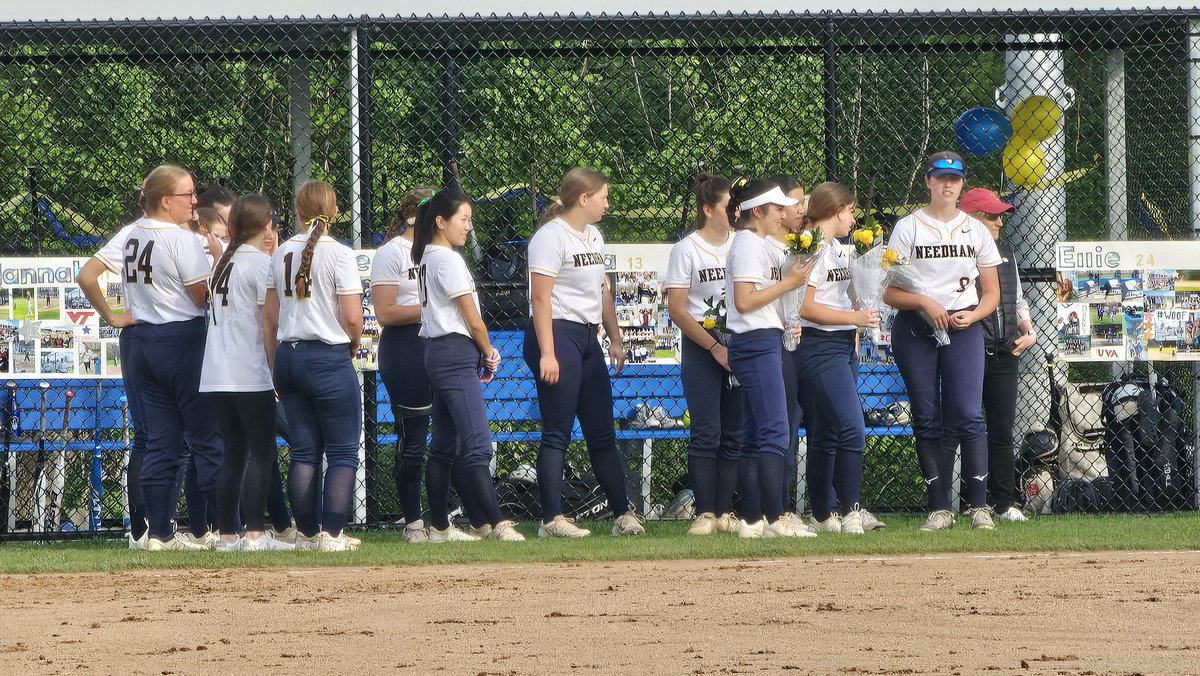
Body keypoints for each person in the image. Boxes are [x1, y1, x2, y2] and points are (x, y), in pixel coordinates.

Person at [75, 164, 224, 551]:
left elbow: (86, 276)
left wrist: (112, 317)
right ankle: (227, 530)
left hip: (139, 342)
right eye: (188, 195)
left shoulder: (130, 233)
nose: (195, 202)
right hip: (181, 340)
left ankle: (156, 533)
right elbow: (199, 297)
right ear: (165, 200)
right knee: (205, 438)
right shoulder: (182, 239)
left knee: (159, 440)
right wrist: (220, 261)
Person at [883, 152, 1002, 531]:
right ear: (928, 182)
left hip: (963, 326)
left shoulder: (976, 230)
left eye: (954, 178)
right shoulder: (908, 227)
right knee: (926, 415)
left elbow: (992, 293)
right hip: (917, 328)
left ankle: (979, 506)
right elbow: (889, 292)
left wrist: (976, 314)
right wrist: (923, 300)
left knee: (968, 413)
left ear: (962, 183)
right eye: (940, 178)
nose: (947, 185)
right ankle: (939, 508)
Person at [523, 167, 644, 538]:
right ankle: (551, 520)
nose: (608, 203)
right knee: (557, 430)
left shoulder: (593, 235)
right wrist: (547, 352)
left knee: (601, 430)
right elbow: (540, 297)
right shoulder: (550, 236)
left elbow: (602, 291)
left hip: (586, 337)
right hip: (556, 333)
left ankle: (623, 514)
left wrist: (616, 336)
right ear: (583, 198)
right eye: (603, 196)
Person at [413, 189, 524, 542]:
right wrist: (489, 351)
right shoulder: (447, 259)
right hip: (454, 352)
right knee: (478, 444)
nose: (468, 226)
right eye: (463, 219)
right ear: (440, 222)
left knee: (445, 445)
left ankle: (447, 526)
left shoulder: (428, 255)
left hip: (437, 351)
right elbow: (472, 318)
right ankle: (496, 522)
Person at [263, 180, 364, 552]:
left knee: (304, 451)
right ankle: (332, 534)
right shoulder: (339, 254)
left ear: (298, 211)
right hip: (327, 357)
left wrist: (275, 364)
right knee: (342, 452)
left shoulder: (279, 253)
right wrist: (353, 343)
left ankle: (306, 534)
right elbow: (352, 317)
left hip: (289, 357)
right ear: (334, 211)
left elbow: (270, 319)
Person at [200, 194, 294, 551]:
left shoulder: (225, 260)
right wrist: (274, 371)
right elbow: (269, 324)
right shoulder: (260, 264)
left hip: (217, 371)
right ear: (264, 224)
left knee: (235, 452)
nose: (275, 228)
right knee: (261, 450)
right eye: (272, 221)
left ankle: (228, 534)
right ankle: (254, 533)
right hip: (248, 370)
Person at [723, 177, 815, 538]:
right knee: (776, 431)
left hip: (764, 338)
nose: (783, 214)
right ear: (756, 212)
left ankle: (751, 520)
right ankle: (775, 518)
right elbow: (745, 300)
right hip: (755, 339)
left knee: (754, 434)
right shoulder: (747, 244)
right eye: (776, 209)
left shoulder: (764, 243)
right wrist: (789, 284)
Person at [941, 188, 1036, 523]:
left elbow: (1016, 299)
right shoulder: (955, 254)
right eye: (991, 215)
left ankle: (1003, 501)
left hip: (1005, 349)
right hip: (968, 348)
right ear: (971, 218)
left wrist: (1028, 328)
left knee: (1001, 430)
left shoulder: (1005, 252)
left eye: (1001, 215)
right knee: (955, 427)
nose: (999, 222)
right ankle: (946, 502)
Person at [796, 182, 880, 534]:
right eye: (849, 211)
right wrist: (853, 319)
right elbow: (805, 306)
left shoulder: (838, 247)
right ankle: (850, 510)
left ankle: (821, 512)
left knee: (827, 432)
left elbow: (845, 292)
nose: (852, 218)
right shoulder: (812, 247)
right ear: (834, 209)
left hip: (844, 344)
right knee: (851, 426)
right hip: (818, 345)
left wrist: (859, 314)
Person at [665, 174, 743, 536]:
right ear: (708, 209)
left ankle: (726, 511)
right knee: (706, 431)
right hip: (703, 345)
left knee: (734, 431)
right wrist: (714, 346)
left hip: (738, 341)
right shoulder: (688, 248)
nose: (734, 212)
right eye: (728, 206)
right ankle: (705, 512)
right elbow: (678, 309)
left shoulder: (743, 245)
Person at [371, 186, 437, 543]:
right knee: (413, 440)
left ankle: (443, 520)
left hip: (442, 347)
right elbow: (386, 312)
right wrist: (436, 307)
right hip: (407, 350)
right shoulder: (392, 252)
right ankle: (413, 522)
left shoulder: (442, 252)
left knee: (450, 439)